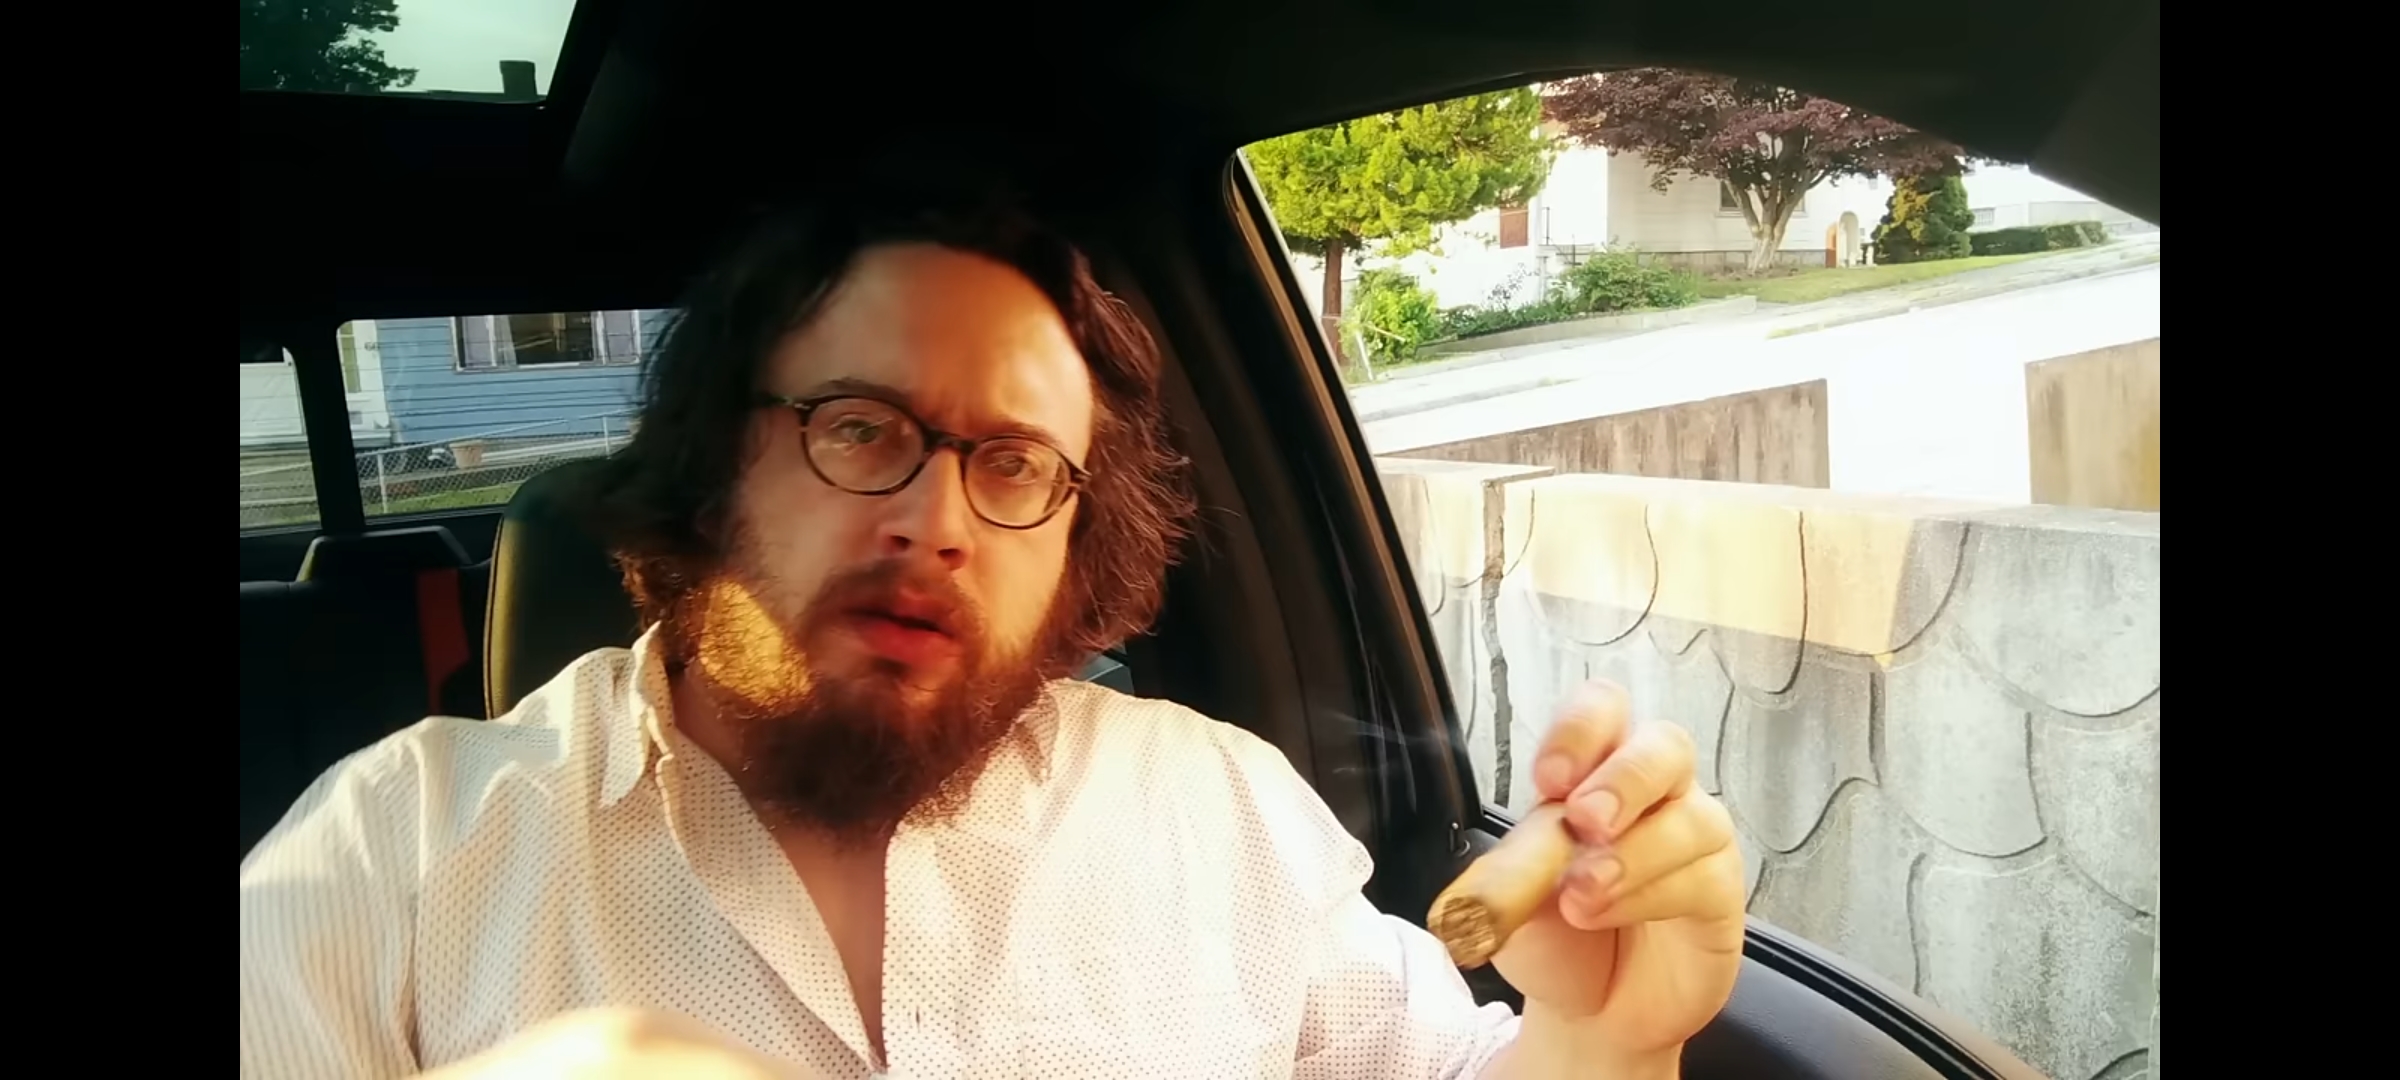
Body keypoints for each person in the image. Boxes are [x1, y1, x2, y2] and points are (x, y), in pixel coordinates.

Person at [238, 195, 1746, 1080]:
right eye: (860, 427)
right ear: (713, 465)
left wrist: (1602, 1044)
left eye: (1016, 465)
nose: (938, 519)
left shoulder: (1215, 808)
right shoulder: (385, 863)